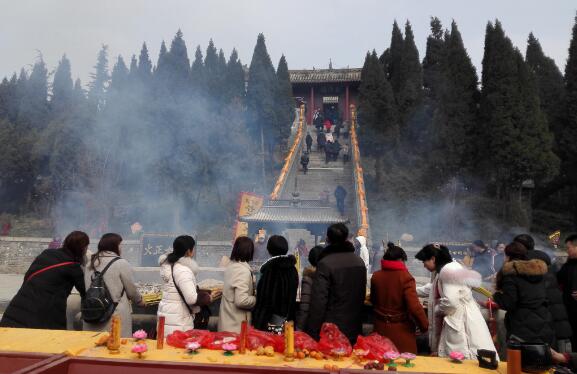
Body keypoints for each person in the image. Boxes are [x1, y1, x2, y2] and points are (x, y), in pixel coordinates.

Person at [415, 244, 496, 359]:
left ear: (433, 258)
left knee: (463, 357)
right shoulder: (446, 269)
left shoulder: (448, 271)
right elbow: (432, 288)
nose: (424, 265)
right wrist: (411, 289)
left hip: (460, 320)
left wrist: (437, 309)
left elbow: (451, 303)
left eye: (424, 261)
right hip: (458, 318)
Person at [0, 231, 88, 329]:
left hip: (15, 312)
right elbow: (86, 292)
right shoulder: (73, 267)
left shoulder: (46, 254)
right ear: (82, 248)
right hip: (43, 317)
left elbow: (27, 277)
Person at [306, 224, 366, 344]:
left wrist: (312, 332)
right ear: (346, 238)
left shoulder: (325, 264)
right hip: (355, 325)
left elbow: (319, 301)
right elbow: (361, 294)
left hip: (332, 330)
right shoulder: (359, 262)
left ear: (327, 239)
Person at [492, 242, 554, 345]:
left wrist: (496, 295)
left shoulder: (511, 274)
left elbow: (509, 303)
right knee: (542, 356)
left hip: (521, 325)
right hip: (543, 321)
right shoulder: (537, 272)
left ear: (507, 256)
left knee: (519, 359)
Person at [83, 233, 143, 337]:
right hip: (114, 315)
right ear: (114, 246)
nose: (121, 248)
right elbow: (131, 290)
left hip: (92, 312)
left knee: (93, 347)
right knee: (114, 347)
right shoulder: (121, 263)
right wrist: (140, 301)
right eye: (120, 245)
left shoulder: (90, 263)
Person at [371, 243, 428, 353]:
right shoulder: (406, 278)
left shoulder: (376, 276)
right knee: (403, 364)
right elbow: (414, 307)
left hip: (380, 329)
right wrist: (424, 326)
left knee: (380, 363)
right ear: (401, 259)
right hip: (401, 331)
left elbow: (373, 300)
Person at [158, 235, 213, 335]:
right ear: (188, 251)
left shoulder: (169, 266)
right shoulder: (183, 271)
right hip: (179, 322)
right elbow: (191, 299)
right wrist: (208, 297)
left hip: (167, 318)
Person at [252, 235, 299, 332]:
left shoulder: (271, 269)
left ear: (269, 250)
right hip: (288, 318)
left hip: (270, 320)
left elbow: (264, 299)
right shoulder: (293, 269)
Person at [218, 236, 256, 333]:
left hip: (227, 324)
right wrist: (256, 298)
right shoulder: (242, 271)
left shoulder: (231, 267)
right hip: (236, 328)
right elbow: (241, 301)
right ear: (249, 251)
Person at [295, 246, 323, 331]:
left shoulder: (308, 277)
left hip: (312, 324)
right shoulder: (327, 275)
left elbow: (305, 307)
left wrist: (299, 328)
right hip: (325, 324)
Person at [557, 234, 577, 350]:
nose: (567, 251)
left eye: (568, 248)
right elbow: (557, 280)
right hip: (570, 312)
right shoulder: (568, 265)